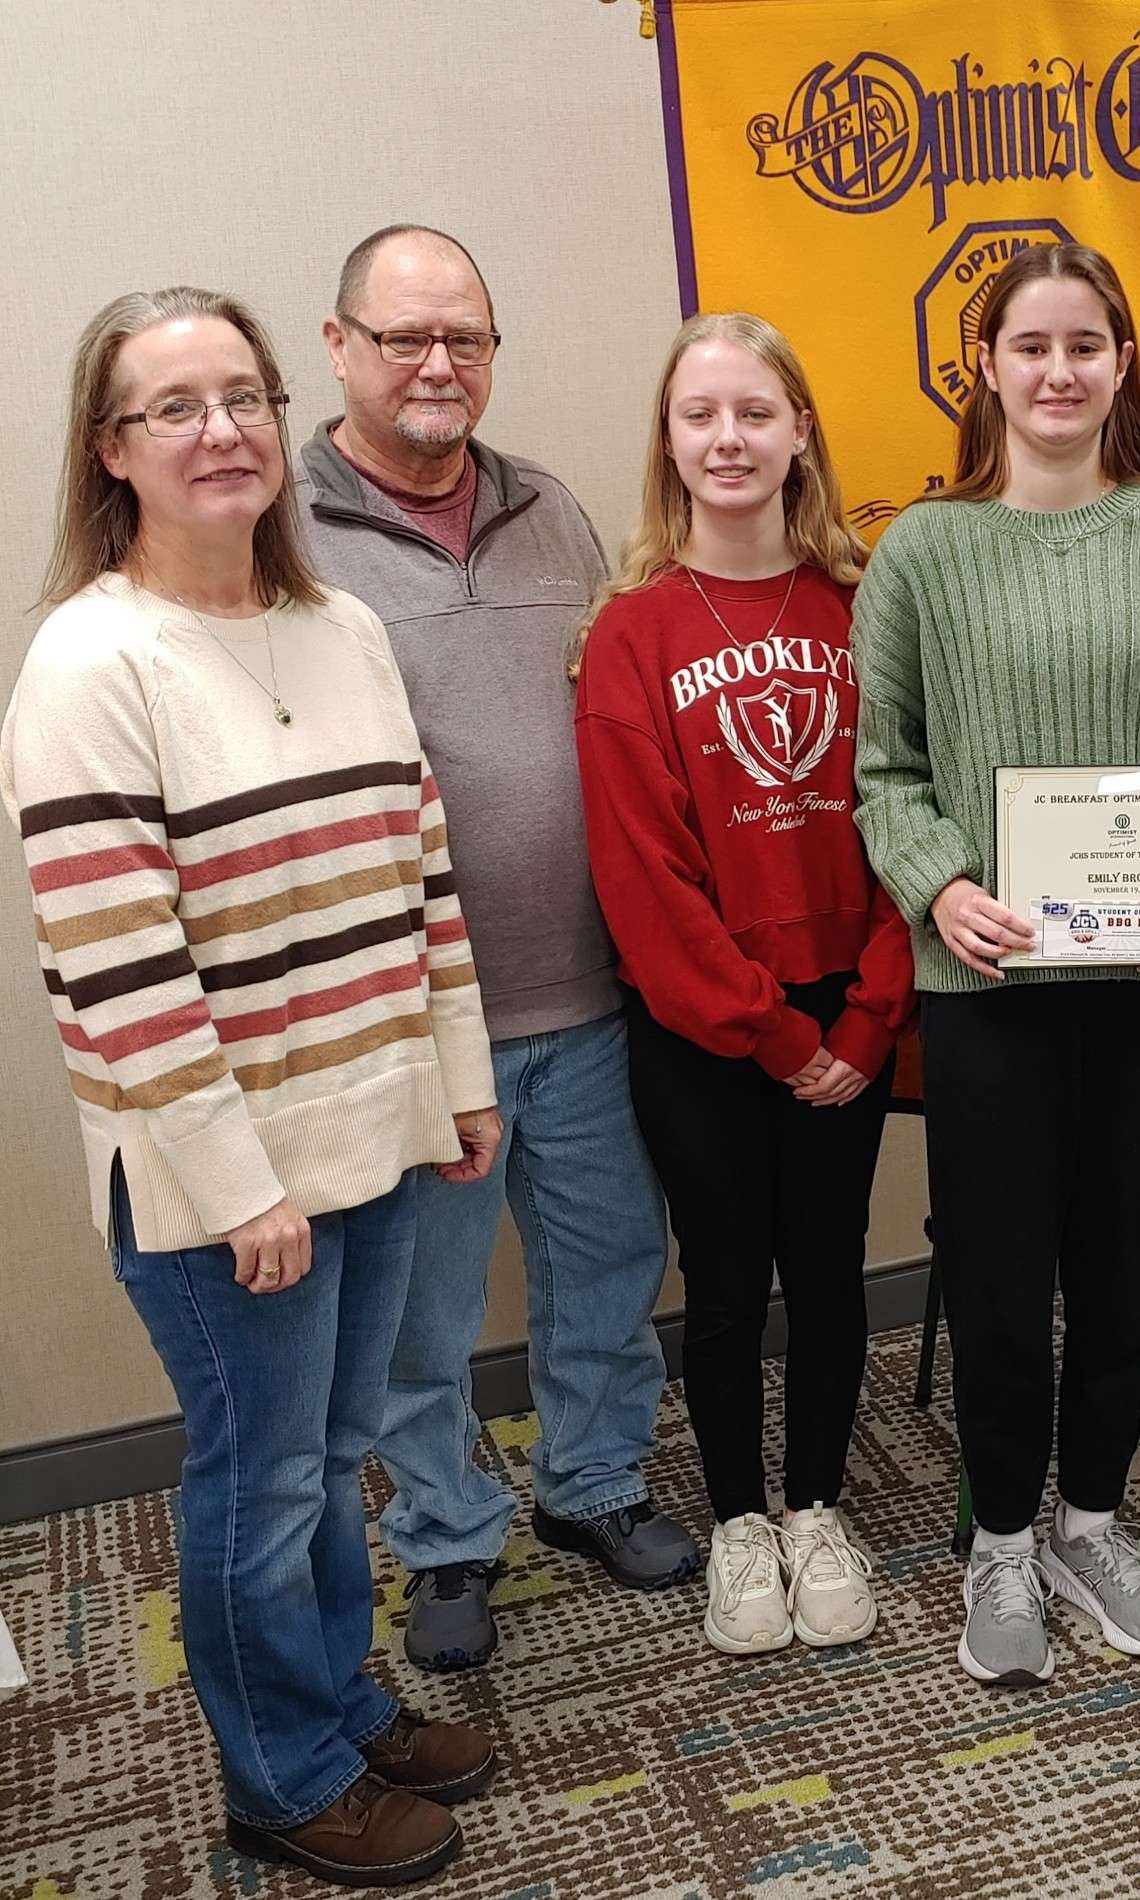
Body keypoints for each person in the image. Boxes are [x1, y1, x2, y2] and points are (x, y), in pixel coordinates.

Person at [2, 286, 503, 1885]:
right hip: (231, 1189)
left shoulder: (339, 627)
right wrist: (241, 1191)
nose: (221, 432)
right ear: (112, 450)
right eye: (174, 407)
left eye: (243, 397)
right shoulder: (91, 662)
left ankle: (337, 1701)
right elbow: (119, 974)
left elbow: (420, 881)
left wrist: (459, 1080)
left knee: (333, 1451)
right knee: (262, 1473)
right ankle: (278, 1778)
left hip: (367, 1133)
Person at [853, 241, 1140, 1687]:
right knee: (1001, 1282)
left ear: (1123, 361)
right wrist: (939, 882)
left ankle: (1093, 1521)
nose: (1058, 371)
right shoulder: (917, 550)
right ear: (985, 364)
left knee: (1114, 1271)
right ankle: (1003, 1544)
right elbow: (884, 770)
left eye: (1086, 343)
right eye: (1030, 345)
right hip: (987, 999)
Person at [294, 225, 695, 1675]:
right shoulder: (284, 527)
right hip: (417, 1020)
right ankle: (451, 1536)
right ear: (337, 346)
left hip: (589, 994)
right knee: (422, 1314)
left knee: (607, 1267)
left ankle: (593, 1486)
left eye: (463, 335)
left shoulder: (556, 509)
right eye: (404, 337)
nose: (437, 363)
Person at [574, 313, 914, 1655]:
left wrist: (875, 1011)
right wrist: (769, 1032)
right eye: (700, 415)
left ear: (800, 433)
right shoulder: (632, 632)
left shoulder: (866, 605)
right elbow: (642, 869)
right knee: (723, 1285)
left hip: (853, 1009)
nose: (728, 439)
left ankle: (818, 1505)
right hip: (706, 1027)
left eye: (754, 413)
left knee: (832, 1275)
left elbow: (913, 817)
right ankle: (737, 1522)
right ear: (668, 440)